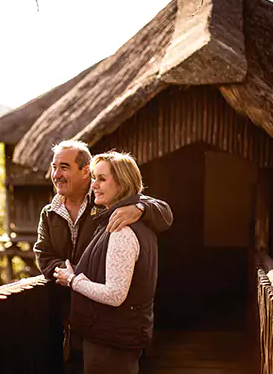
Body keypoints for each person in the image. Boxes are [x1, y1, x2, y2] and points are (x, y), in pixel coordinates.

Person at [34, 140, 172, 373]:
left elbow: (164, 212)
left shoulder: (109, 207)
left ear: (85, 171)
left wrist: (140, 208)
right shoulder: (49, 213)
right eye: (54, 167)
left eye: (64, 167)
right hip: (72, 312)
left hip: (104, 319)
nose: (56, 174)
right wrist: (68, 273)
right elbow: (44, 254)